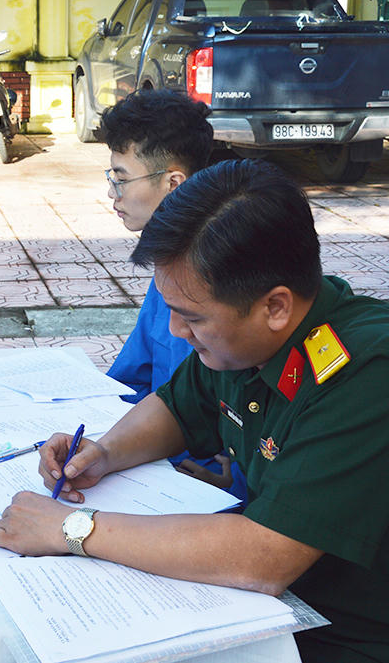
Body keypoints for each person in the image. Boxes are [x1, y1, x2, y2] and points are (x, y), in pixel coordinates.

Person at [0, 159, 389, 663]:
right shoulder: (244, 342)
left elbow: (263, 558)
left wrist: (73, 530)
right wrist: (103, 452)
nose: (177, 332)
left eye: (190, 317)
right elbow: (178, 408)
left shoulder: (377, 370)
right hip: (312, 611)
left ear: (275, 306)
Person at [99, 90, 244, 500]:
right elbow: (130, 381)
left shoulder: (228, 271)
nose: (113, 193)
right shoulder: (166, 271)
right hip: (158, 462)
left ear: (173, 182)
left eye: (121, 179)